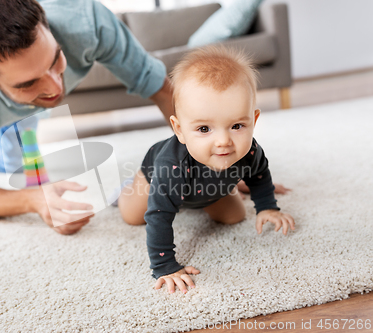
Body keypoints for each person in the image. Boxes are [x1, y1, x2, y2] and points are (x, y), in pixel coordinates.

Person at [0, 0, 174, 235]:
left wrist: (196, 148)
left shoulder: (86, 20)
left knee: (14, 163)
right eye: (28, 83)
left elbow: (161, 88)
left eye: (55, 60)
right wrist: (34, 199)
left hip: (7, 94)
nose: (55, 89)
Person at [117, 46, 296, 294]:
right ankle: (127, 186)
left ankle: (232, 183)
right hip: (154, 180)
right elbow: (159, 216)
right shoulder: (171, 166)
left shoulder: (250, 151)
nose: (223, 141)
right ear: (179, 130)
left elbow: (259, 173)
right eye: (204, 129)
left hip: (208, 188)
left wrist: (267, 205)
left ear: (253, 121)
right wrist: (164, 265)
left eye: (236, 125)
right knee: (132, 216)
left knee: (235, 216)